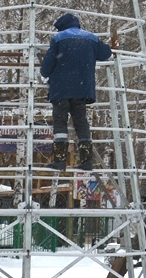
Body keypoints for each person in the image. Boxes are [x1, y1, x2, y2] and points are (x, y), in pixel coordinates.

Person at [39, 13, 113, 171]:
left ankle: (60, 160)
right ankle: (86, 161)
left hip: (61, 89)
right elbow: (106, 54)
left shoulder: (58, 39)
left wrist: (44, 72)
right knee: (81, 122)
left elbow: (46, 68)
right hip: (82, 89)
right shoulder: (91, 38)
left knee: (60, 122)